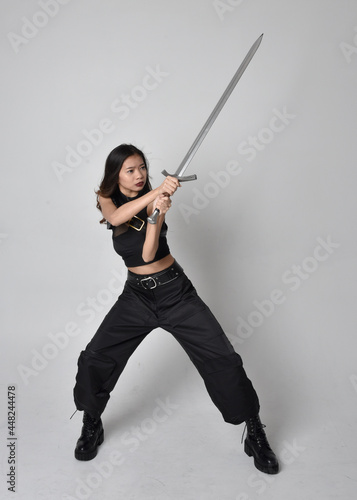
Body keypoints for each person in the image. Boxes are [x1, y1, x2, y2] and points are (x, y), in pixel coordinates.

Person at [73, 144, 279, 475]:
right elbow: (115, 218)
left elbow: (149, 253)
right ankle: (91, 421)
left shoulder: (156, 201)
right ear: (116, 175)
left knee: (221, 358)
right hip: (136, 297)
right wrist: (157, 191)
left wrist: (159, 210)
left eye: (142, 167)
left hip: (175, 293)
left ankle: (254, 430)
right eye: (130, 170)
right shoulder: (106, 198)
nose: (139, 174)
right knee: (98, 355)